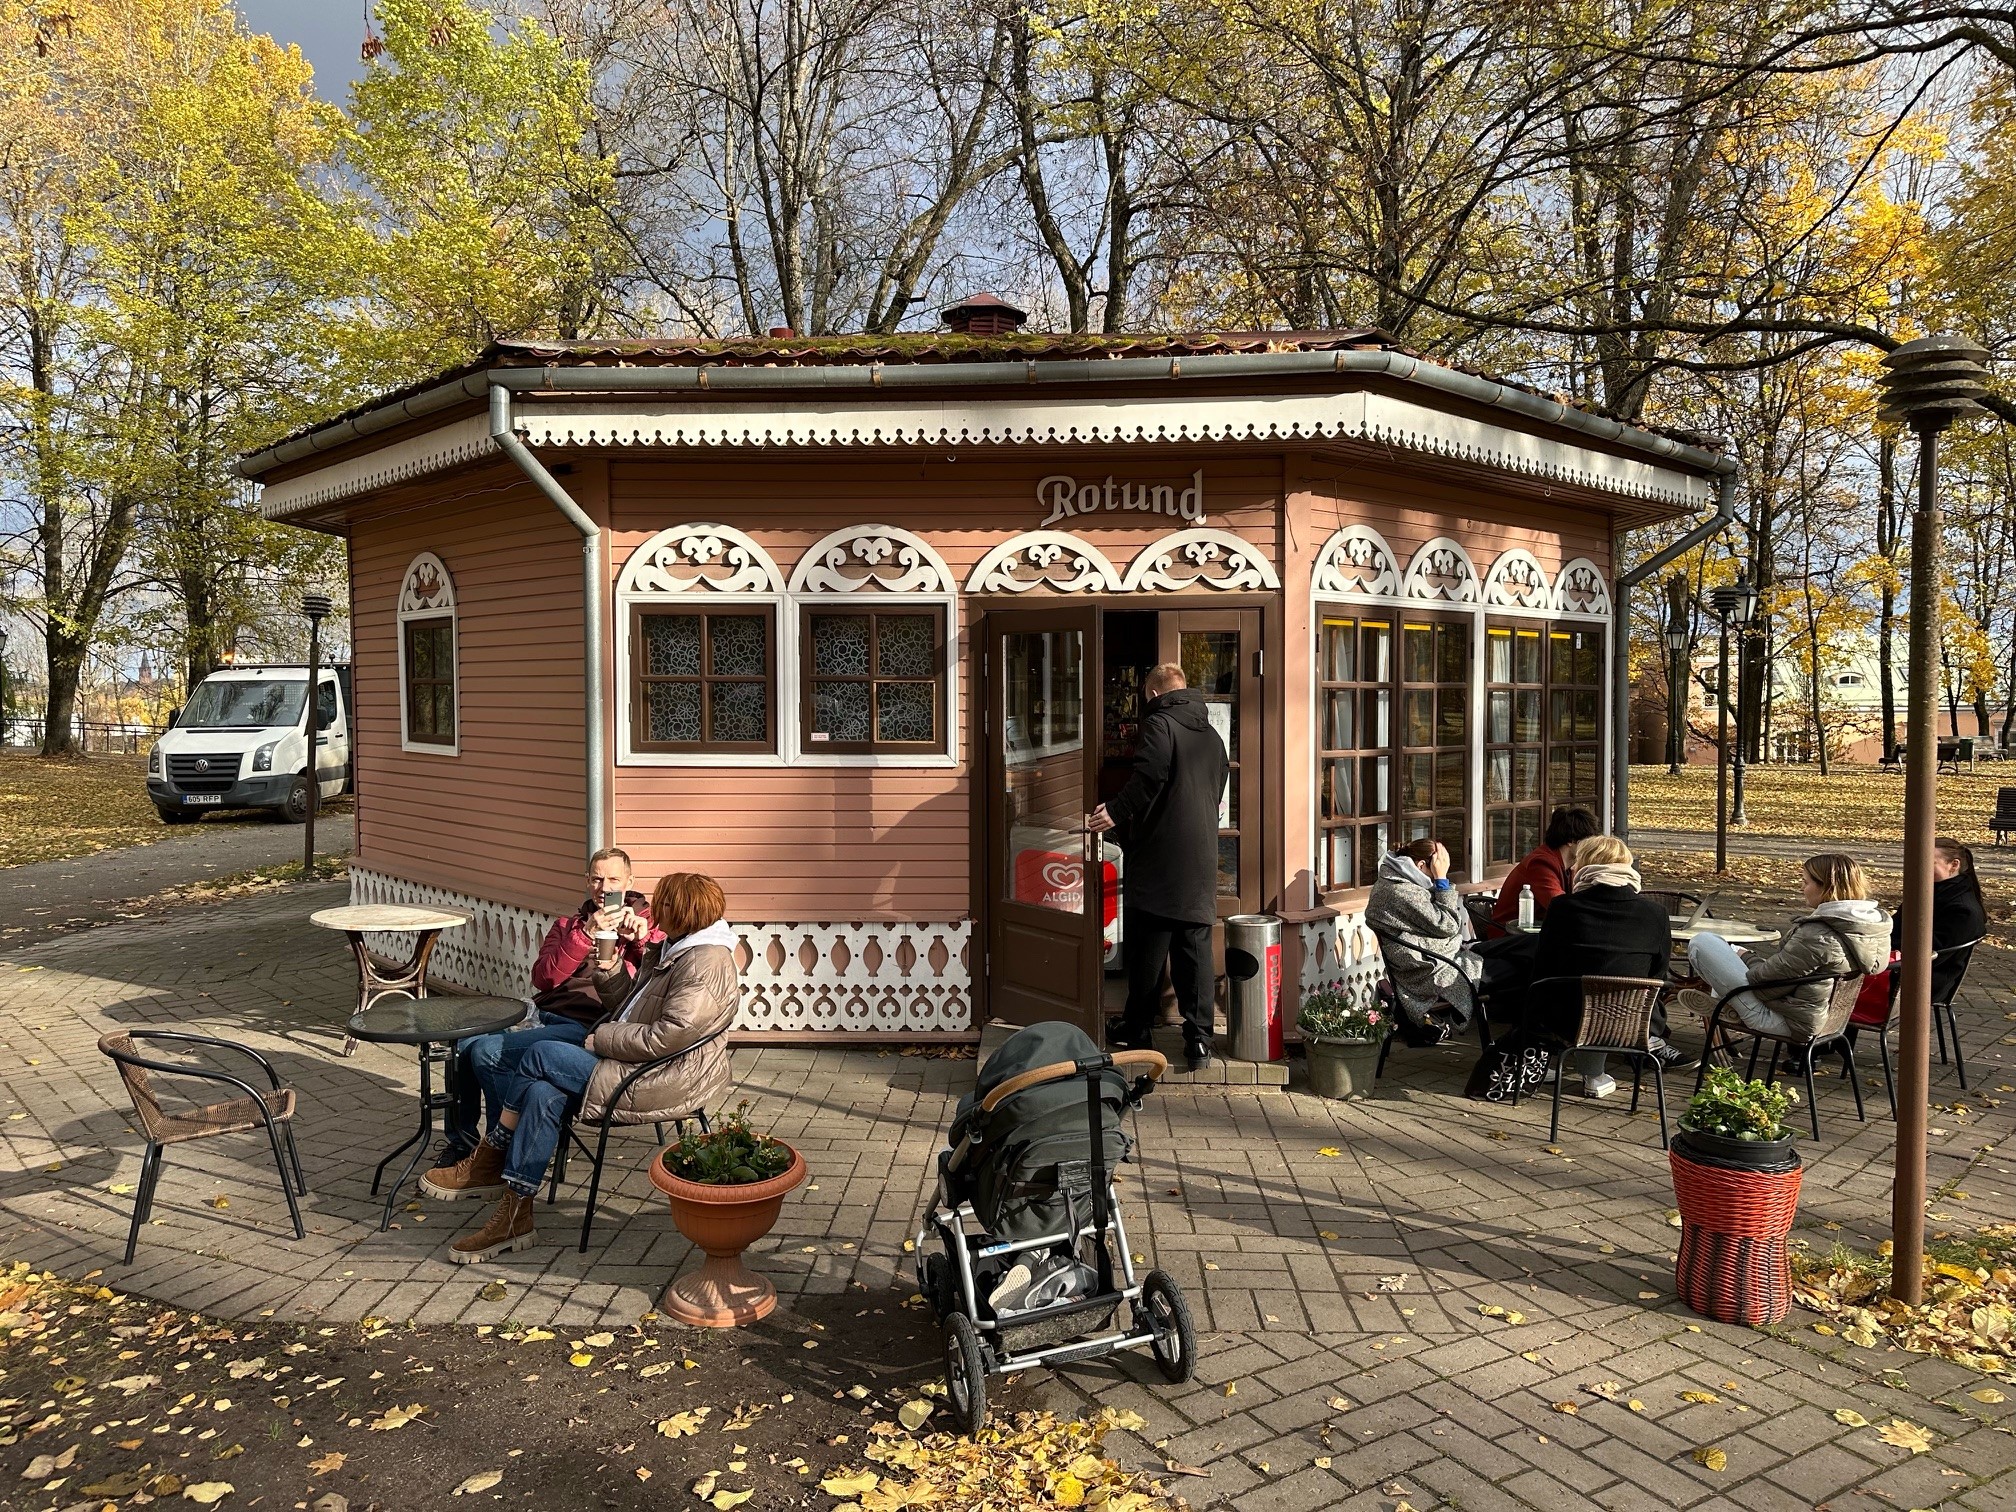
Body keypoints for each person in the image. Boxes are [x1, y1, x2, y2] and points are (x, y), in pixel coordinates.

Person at [446, 872, 740, 1262]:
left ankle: (491, 1155)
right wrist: (611, 966)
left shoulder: (705, 961)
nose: (652, 911)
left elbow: (666, 1037)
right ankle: (515, 1215)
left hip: (660, 1076)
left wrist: (599, 1039)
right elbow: (629, 1008)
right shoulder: (675, 947)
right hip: (630, 1062)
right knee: (540, 1091)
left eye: (661, 904)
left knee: (540, 1055)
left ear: (680, 910)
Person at [425, 847, 658, 1193]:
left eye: (612, 879)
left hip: (587, 1026)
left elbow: (654, 978)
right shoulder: (569, 925)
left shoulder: (646, 926)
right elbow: (544, 979)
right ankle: (462, 1143)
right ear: (586, 881)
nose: (602, 886)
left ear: (629, 882)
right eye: (596, 878)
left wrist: (639, 941)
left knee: (489, 1053)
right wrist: (584, 936)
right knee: (465, 1045)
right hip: (541, 1014)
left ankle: (500, 1151)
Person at [1088, 662, 1229, 1073]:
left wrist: (1114, 812)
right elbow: (1216, 789)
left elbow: (1148, 776)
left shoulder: (1160, 726)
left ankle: (1139, 1029)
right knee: (1194, 949)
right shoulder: (1212, 736)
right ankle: (1199, 1041)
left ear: (1151, 694)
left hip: (1160, 856)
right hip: (1201, 856)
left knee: (1149, 948)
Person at [1474, 835, 1684, 1102]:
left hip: (1566, 1020)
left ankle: (1547, 1063)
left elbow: (1544, 965)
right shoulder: (1655, 913)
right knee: (1606, 993)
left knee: (1553, 987)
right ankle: (1593, 1075)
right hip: (1632, 1023)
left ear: (1585, 867)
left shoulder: (1564, 908)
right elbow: (1658, 971)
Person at [1684, 853, 1891, 1040]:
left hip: (1787, 1022)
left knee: (1704, 942)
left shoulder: (1818, 935)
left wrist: (1746, 956)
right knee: (1727, 955)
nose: (1802, 888)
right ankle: (1726, 1004)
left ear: (1826, 887)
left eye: (1806, 882)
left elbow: (1766, 986)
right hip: (1827, 1021)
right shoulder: (1869, 929)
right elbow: (1788, 976)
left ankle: (1729, 1006)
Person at [1365, 838, 1523, 1039]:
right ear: (1421, 865)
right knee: (1523, 966)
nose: (1438, 875)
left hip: (1449, 952)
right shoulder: (1401, 891)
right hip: (1438, 968)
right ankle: (1526, 1040)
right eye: (1437, 868)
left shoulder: (1401, 880)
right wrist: (1441, 881)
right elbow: (1448, 926)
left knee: (1527, 945)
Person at [1897, 836, 1988, 1005]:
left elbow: (1931, 952)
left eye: (1928, 863)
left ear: (1954, 865)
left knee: (1847, 987)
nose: (1919, 869)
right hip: (1905, 968)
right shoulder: (1928, 894)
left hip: (1927, 982)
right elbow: (1897, 928)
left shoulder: (1962, 910)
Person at [1489, 806, 1600, 933]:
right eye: (1589, 841)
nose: (1593, 847)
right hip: (1510, 935)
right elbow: (1560, 907)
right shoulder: (1541, 863)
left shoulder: (1567, 865)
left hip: (1538, 933)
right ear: (1571, 840)